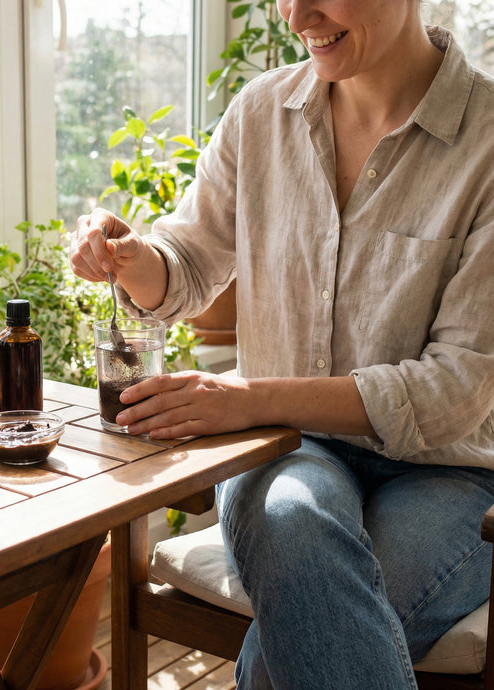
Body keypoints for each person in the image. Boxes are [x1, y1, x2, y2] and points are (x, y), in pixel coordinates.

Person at [70, 0, 494, 687]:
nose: (297, 14)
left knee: (304, 621)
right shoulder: (260, 112)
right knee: (297, 532)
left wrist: (245, 398)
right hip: (287, 448)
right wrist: (131, 256)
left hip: (447, 472)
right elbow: (188, 262)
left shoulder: (489, 139)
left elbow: (454, 389)